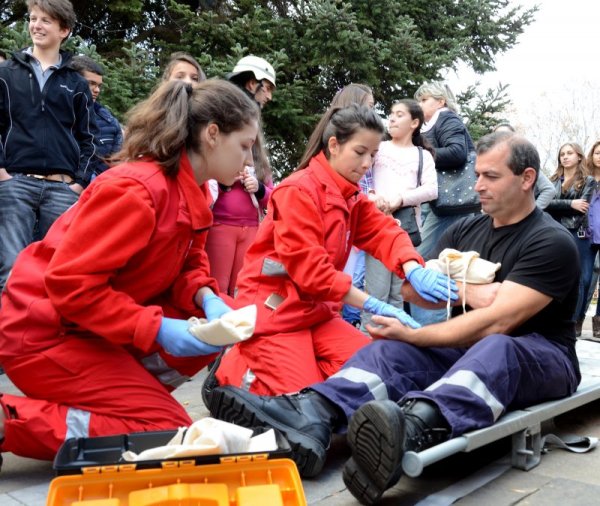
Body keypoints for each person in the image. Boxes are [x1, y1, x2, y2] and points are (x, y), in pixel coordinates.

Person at [208, 133, 580, 504]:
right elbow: (410, 289)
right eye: (478, 174)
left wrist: (420, 329)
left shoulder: (550, 241)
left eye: (491, 177)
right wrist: (462, 292)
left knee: (495, 347)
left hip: (540, 354)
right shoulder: (466, 230)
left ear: (527, 178)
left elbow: (497, 322)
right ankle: (314, 413)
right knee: (388, 351)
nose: (477, 185)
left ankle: (412, 428)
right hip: (469, 348)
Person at [0, 78, 259, 464]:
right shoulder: (138, 190)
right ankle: (9, 423)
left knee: (210, 324)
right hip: (42, 332)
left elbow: (188, 265)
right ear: (212, 134)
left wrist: (207, 299)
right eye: (243, 146)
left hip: (88, 328)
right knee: (159, 433)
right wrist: (156, 328)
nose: (248, 159)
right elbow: (71, 287)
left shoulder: (195, 191)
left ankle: (118, 397)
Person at [205, 104, 457, 399]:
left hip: (317, 314)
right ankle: (233, 375)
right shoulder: (298, 191)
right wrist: (373, 304)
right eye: (360, 152)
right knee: (301, 401)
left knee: (370, 372)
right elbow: (312, 271)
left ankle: (280, 378)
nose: (366, 164)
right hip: (274, 315)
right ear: (334, 145)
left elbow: (384, 232)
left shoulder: (350, 196)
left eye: (373, 156)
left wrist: (414, 266)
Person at [0, 0, 98, 292]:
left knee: (58, 269)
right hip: (15, 183)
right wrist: (2, 172)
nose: (36, 25)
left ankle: (45, 336)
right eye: (33, 18)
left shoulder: (76, 83)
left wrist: (79, 183)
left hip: (62, 190)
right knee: (11, 270)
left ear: (63, 30)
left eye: (46, 20)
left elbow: (89, 137)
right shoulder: (6, 74)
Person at [360, 99, 437, 330]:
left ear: (414, 123)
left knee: (397, 293)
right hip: (376, 226)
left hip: (406, 229)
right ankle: (366, 343)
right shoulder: (379, 148)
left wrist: (400, 199)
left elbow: (432, 189)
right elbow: (363, 179)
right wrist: (374, 196)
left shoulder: (423, 155)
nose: (392, 118)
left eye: (400, 114)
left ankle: (391, 347)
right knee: (376, 292)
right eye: (391, 114)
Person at [414, 81, 480, 258]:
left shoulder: (447, 118)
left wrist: (422, 155)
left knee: (423, 253)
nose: (419, 105)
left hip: (453, 200)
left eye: (424, 99)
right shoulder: (436, 123)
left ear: (441, 101)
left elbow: (457, 152)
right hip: (448, 200)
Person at [546, 142, 595, 336]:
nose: (565, 157)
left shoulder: (588, 180)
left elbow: (582, 207)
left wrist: (562, 205)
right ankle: (555, 317)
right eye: (562, 154)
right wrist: (570, 203)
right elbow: (545, 203)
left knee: (581, 278)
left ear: (579, 157)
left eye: (569, 153)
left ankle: (574, 321)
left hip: (577, 232)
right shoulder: (553, 179)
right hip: (555, 231)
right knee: (557, 274)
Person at [71, 55, 123, 175]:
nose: (97, 90)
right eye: (91, 83)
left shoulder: (109, 122)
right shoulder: (52, 115)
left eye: (99, 85)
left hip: (97, 187)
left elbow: (115, 164)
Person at [492, 123, 555, 209]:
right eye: (497, 135)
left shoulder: (525, 162)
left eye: (506, 135)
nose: (501, 138)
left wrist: (532, 212)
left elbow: (549, 189)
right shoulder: (486, 162)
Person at [584, 140, 600, 337]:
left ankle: (598, 324)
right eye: (597, 152)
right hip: (585, 233)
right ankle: (578, 319)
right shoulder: (584, 179)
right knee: (585, 278)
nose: (599, 156)